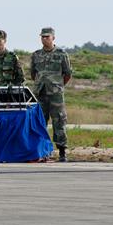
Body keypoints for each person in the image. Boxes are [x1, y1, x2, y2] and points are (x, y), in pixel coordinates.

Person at [30, 27, 73, 162]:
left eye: (47, 37)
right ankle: (41, 151)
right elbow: (33, 74)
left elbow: (67, 74)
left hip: (56, 94)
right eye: (42, 37)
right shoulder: (36, 55)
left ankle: (61, 151)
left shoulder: (61, 54)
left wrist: (57, 85)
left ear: (53, 38)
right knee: (39, 122)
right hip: (40, 92)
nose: (44, 39)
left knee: (59, 121)